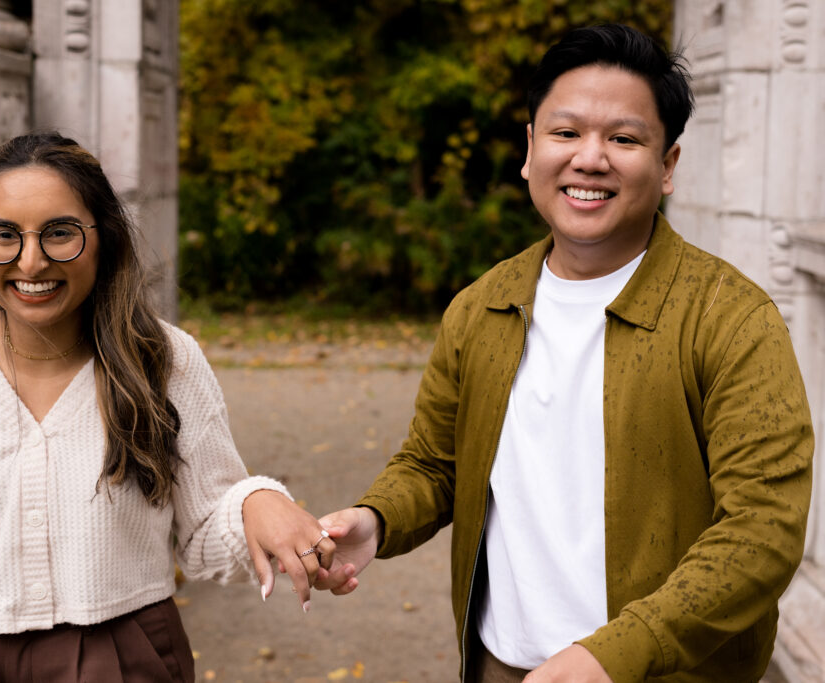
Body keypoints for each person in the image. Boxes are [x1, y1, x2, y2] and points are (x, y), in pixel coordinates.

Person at [316, 23, 814, 683]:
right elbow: (437, 464)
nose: (590, 158)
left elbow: (762, 530)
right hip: (504, 664)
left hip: (657, 670)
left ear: (667, 166)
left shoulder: (730, 319)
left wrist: (612, 654)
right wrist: (375, 519)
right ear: (530, 149)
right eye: (566, 132)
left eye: (624, 138)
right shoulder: (480, 307)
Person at [0, 131, 334, 683]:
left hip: (130, 659)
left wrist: (256, 502)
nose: (32, 261)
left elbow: (205, 538)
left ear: (104, 236)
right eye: (3, 236)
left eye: (60, 233)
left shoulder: (162, 360)